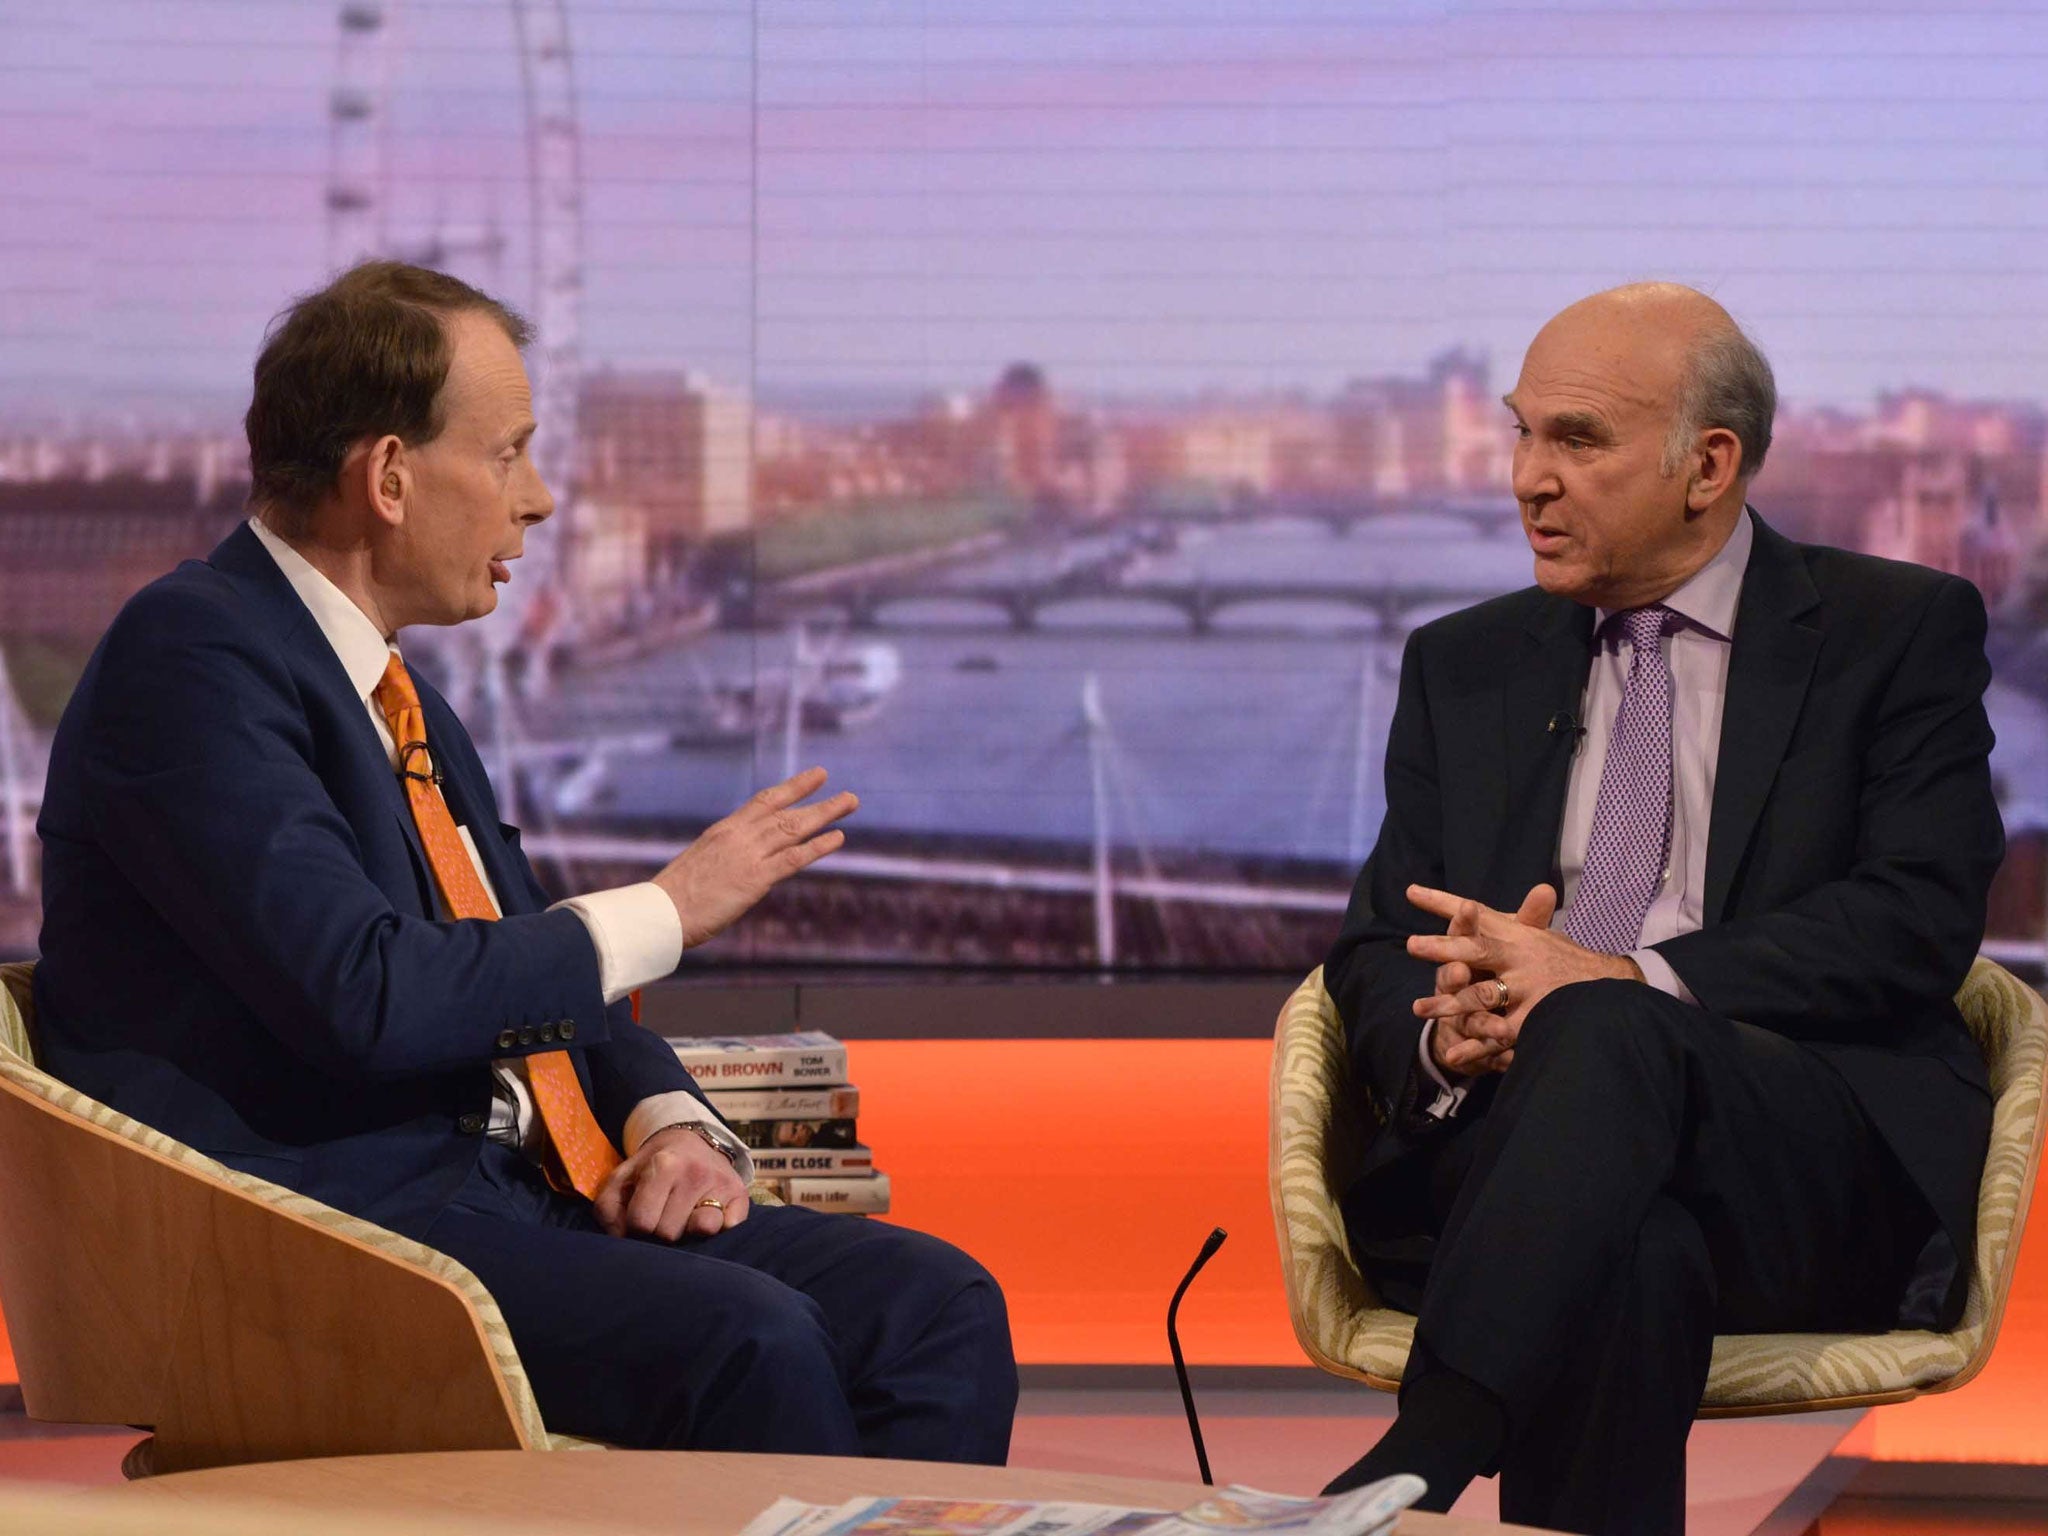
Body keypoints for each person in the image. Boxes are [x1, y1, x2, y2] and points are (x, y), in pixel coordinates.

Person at [33, 260, 1017, 1460]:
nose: (539, 499)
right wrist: (666, 908)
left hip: (512, 1195)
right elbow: (370, 994)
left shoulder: (399, 698)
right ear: (389, 477)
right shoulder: (189, 660)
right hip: (324, 1238)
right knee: (750, 1342)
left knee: (937, 1310)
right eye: (509, 454)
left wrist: (670, 1125)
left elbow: (524, 963)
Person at [1319, 283, 1998, 1534]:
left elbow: (1913, 916)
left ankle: (1425, 1446)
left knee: (1605, 1021)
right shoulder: (1460, 665)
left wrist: (1623, 983)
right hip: (1516, 1169)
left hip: (1801, 1162)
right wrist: (1441, 1031)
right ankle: (1429, 1457)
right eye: (1522, 434)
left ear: (1708, 465)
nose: (1526, 477)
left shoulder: (1891, 633)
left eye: (1574, 441)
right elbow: (1373, 945)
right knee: (1635, 1256)